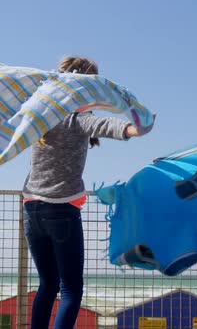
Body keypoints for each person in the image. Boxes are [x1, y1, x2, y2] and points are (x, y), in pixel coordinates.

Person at [22, 56, 155, 329]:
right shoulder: (78, 118)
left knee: (47, 284)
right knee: (71, 289)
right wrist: (135, 129)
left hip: (31, 209)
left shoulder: (40, 116)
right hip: (61, 209)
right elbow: (105, 126)